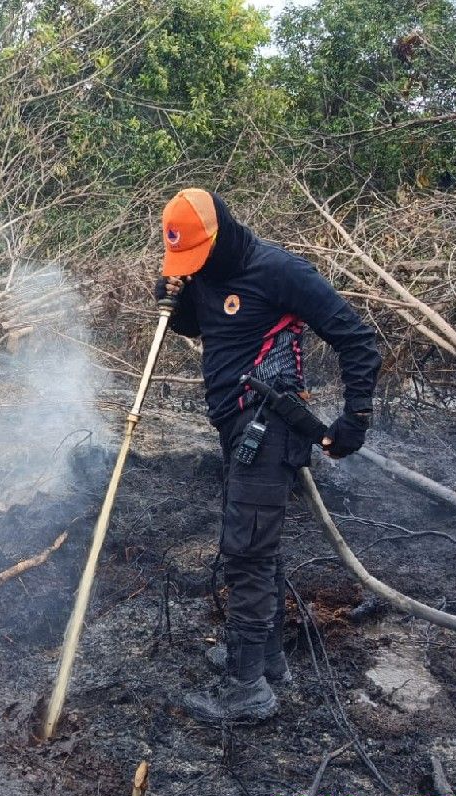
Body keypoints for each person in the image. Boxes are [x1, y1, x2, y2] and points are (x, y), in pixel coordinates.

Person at [154, 188, 381, 724]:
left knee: (247, 553)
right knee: (257, 546)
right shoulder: (205, 272)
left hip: (269, 426)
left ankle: (247, 688)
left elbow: (357, 339)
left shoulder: (279, 271)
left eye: (199, 258)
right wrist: (170, 295)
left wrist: (356, 418)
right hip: (233, 426)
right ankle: (268, 660)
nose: (197, 268)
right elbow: (203, 324)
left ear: (223, 234)